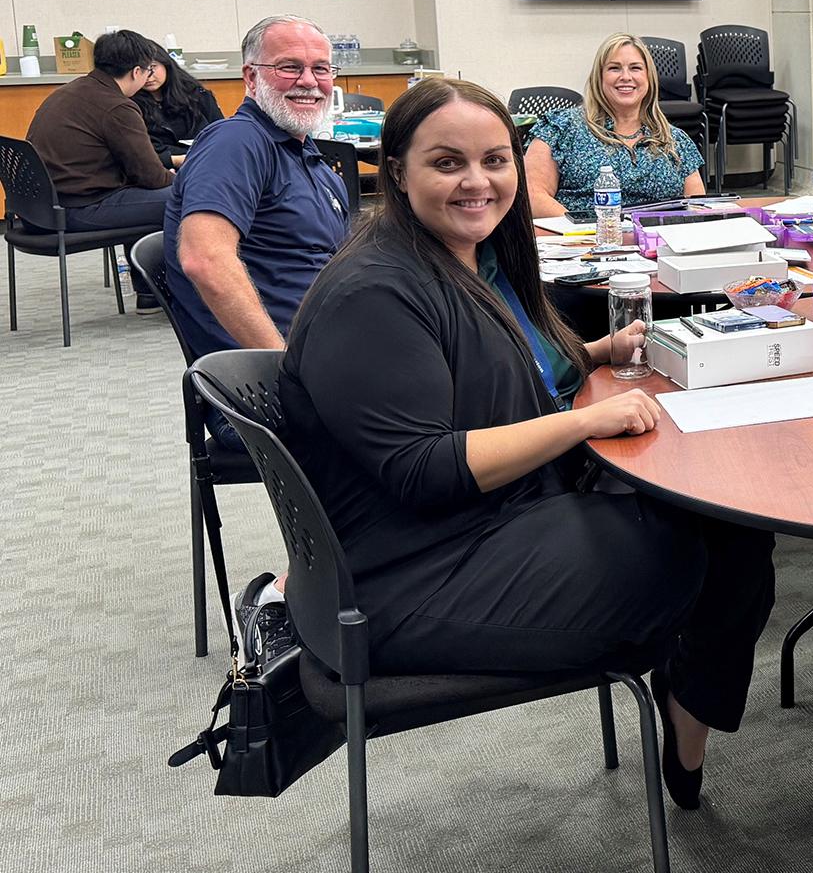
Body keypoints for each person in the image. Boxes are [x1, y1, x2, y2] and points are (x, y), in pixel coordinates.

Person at [279, 77, 775, 811]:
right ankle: (683, 705)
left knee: (732, 518)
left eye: (495, 159)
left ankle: (686, 715)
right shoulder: (375, 293)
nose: (478, 181)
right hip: (408, 576)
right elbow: (424, 470)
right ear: (396, 171)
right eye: (447, 163)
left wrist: (599, 352)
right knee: (705, 550)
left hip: (496, 519)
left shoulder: (472, 255)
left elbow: (513, 375)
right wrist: (581, 422)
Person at [165, 14, 348, 371]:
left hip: (336, 344)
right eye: (290, 67)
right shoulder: (236, 142)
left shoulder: (304, 153)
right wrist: (285, 372)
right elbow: (204, 260)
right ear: (251, 77)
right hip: (281, 376)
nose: (309, 82)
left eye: (321, 69)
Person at [23, 30, 174, 311]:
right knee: (186, 197)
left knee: (150, 199)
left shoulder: (68, 91)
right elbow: (151, 177)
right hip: (77, 208)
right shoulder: (117, 106)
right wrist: (181, 177)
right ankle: (169, 293)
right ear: (136, 71)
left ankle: (150, 294)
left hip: (38, 209)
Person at [526, 34, 704, 217]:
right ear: (599, 77)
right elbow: (534, 196)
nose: (626, 77)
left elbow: (698, 206)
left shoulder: (675, 140)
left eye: (635, 68)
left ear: (649, 78)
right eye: (614, 68)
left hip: (659, 242)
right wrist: (593, 233)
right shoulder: (560, 128)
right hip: (582, 241)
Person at [134, 48, 223, 165]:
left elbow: (220, 132)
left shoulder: (196, 94)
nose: (148, 76)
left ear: (166, 64)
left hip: (207, 161)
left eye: (152, 67)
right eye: (140, 70)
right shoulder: (131, 105)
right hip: (162, 170)